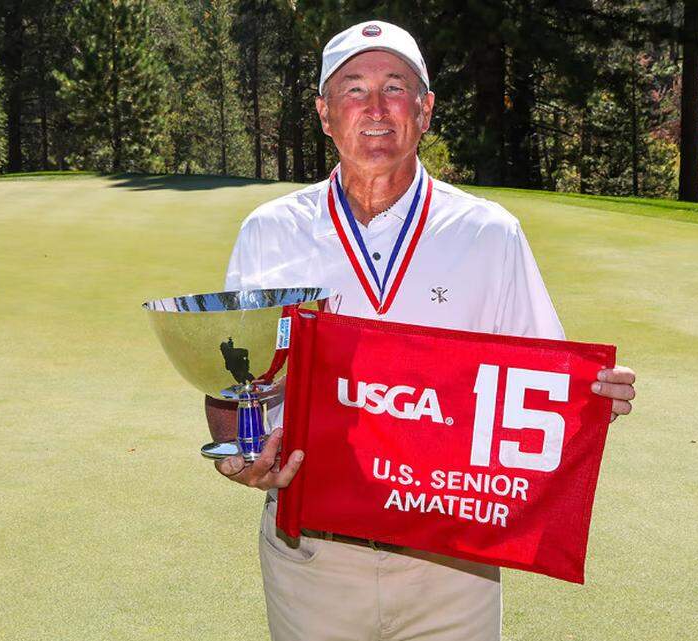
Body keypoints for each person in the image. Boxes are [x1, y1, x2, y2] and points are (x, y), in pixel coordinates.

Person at [205, 19, 637, 641]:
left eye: (396, 87)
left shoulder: (487, 233)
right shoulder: (270, 231)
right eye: (353, 89)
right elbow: (234, 376)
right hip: (314, 554)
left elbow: (539, 385)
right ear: (325, 113)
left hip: (453, 560)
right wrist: (237, 451)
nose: (375, 109)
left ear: (426, 109)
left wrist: (591, 398)